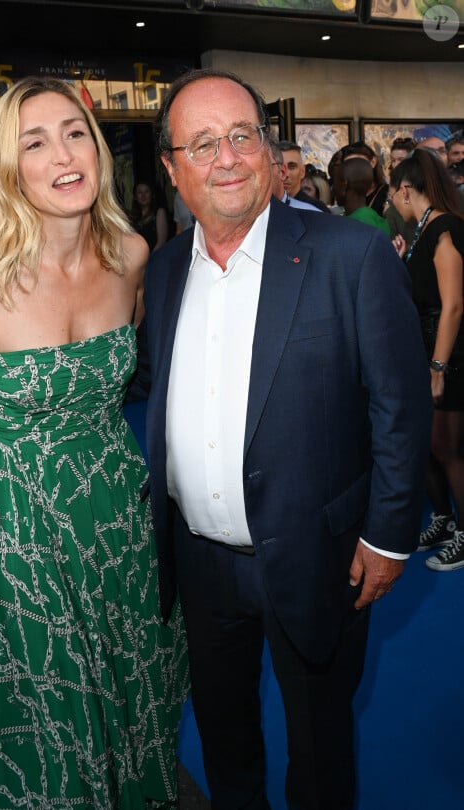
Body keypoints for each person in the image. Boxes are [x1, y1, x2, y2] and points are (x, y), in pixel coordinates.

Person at [132, 67, 432, 810]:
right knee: (227, 743)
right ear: (172, 169)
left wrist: (390, 537)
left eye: (241, 136)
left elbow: (399, 408)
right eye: (201, 144)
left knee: (320, 751)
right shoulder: (165, 270)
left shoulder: (348, 256)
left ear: (269, 152)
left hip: (317, 555)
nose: (226, 157)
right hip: (200, 565)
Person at [0, 75, 188, 808]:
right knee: (51, 710)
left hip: (118, 510)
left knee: (133, 682)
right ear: (9, 168)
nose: (63, 154)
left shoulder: (132, 256)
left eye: (76, 132)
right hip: (19, 520)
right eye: (34, 142)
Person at [392, 148, 464, 572]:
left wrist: (438, 369)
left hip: (449, 355)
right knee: (427, 448)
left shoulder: (445, 227)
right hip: (427, 352)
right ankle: (443, 519)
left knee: (448, 449)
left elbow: (453, 305)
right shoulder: (423, 229)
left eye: (392, 194)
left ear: (405, 189)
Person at [333, 156, 391, 235]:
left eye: (335, 183)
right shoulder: (374, 217)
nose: (333, 189)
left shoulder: (353, 226)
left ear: (344, 185)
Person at [131, 180, 169, 251]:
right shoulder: (132, 216)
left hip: (156, 257)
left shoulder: (159, 212)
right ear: (135, 197)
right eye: (140, 192)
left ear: (151, 195)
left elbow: (161, 242)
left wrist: (149, 259)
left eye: (146, 192)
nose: (143, 195)